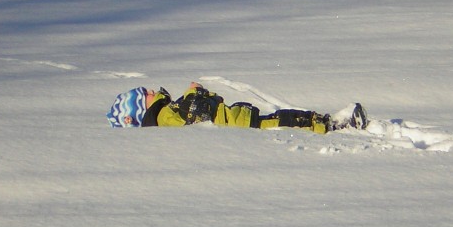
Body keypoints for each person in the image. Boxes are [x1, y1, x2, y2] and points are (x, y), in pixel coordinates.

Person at [106, 82, 368, 132]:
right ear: (139, 111)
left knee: (283, 118)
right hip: (237, 123)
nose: (151, 91)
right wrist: (193, 93)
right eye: (145, 95)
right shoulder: (165, 120)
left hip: (236, 117)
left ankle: (331, 123)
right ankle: (336, 125)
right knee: (285, 121)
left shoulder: (165, 112)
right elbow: (192, 116)